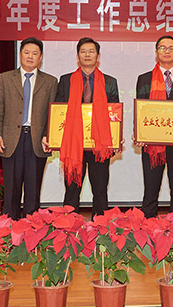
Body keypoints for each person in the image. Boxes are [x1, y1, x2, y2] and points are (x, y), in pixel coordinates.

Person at [49, 37, 120, 218]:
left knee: (100, 190)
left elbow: (114, 114)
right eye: (83, 51)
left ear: (98, 56)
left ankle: (100, 227)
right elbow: (59, 111)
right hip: (73, 145)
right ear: (77, 56)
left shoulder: (110, 82)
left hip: (99, 145)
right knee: (72, 190)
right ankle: (69, 226)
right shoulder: (66, 80)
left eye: (91, 51)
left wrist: (116, 138)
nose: (87, 55)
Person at [0, 37, 58, 219]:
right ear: (20, 55)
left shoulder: (50, 82)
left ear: (40, 57)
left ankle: (32, 228)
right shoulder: (4, 79)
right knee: (11, 189)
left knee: (33, 190)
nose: (30, 56)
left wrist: (49, 136)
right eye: (26, 52)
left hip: (37, 141)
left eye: (35, 53)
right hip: (11, 139)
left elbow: (53, 114)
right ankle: (9, 226)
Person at [135, 35, 173, 218]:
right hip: (153, 143)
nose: (167, 51)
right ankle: (148, 224)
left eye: (171, 48)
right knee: (151, 188)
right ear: (156, 52)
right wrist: (138, 133)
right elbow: (141, 110)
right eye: (163, 48)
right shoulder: (145, 79)